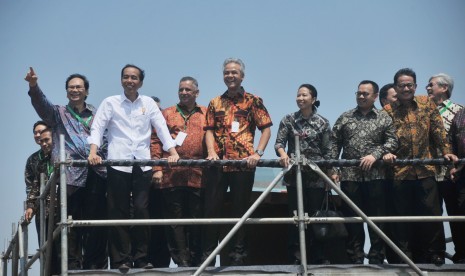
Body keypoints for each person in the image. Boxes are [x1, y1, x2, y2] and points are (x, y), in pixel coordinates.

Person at [87, 64, 179, 270]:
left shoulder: (148, 103)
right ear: (121, 80)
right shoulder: (110, 102)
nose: (130, 80)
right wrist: (93, 152)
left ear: (141, 82)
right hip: (118, 163)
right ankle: (121, 260)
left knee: (141, 210)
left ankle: (141, 258)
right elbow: (98, 127)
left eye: (134, 77)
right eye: (126, 77)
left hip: (142, 164)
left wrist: (171, 151)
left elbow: (161, 127)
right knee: (117, 211)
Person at [25, 68, 108, 270]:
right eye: (71, 87)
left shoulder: (97, 114)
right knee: (70, 223)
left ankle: (94, 265)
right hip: (69, 175)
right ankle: (72, 264)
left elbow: (106, 138)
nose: (75, 90)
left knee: (96, 220)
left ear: (86, 91)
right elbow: (41, 105)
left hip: (96, 172)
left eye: (79, 87)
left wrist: (99, 154)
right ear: (66, 92)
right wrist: (34, 86)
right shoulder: (58, 113)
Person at [383, 68, 458, 265]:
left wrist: (446, 151)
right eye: (402, 85)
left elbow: (438, 130)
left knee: (431, 214)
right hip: (400, 173)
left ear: (415, 86)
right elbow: (383, 138)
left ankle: (435, 253)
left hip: (426, 170)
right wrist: (385, 153)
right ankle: (405, 256)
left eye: (409, 85)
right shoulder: (388, 111)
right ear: (396, 88)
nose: (406, 88)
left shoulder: (427, 103)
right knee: (402, 218)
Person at [202, 58, 272, 265]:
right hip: (218, 165)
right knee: (211, 210)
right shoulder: (215, 102)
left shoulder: (253, 100)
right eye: (226, 73)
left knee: (240, 210)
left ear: (242, 76)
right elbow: (209, 131)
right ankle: (208, 255)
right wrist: (211, 152)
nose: (230, 76)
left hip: (243, 165)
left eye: (234, 72)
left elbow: (266, 128)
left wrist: (258, 153)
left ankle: (237, 255)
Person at [331, 80, 398, 264]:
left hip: (376, 177)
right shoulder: (345, 117)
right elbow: (334, 144)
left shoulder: (383, 117)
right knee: (352, 220)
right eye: (359, 93)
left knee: (377, 220)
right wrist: (334, 168)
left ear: (375, 96)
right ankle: (355, 259)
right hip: (350, 177)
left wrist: (374, 155)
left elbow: (392, 142)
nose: (361, 96)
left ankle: (376, 258)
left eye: (365, 94)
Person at [275, 84, 334, 264]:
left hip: (317, 177)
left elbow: (329, 151)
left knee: (316, 218)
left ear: (313, 99)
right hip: (295, 177)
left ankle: (318, 257)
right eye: (298, 95)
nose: (300, 98)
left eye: (304, 95)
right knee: (295, 217)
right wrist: (283, 155)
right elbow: (279, 143)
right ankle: (295, 258)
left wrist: (331, 173)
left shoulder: (322, 122)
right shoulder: (289, 119)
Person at [151, 76, 207, 267]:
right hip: (171, 176)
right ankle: (181, 262)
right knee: (174, 222)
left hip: (199, 177)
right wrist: (157, 168)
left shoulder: (206, 113)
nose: (184, 93)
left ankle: (196, 262)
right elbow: (155, 141)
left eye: (188, 90)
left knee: (197, 221)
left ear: (196, 93)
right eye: (181, 89)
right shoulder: (167, 113)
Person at [427, 73, 464, 263]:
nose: (427, 88)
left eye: (431, 85)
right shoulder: (423, 110)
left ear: (444, 88)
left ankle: (461, 253)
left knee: (456, 213)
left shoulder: (459, 111)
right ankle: (436, 253)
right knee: (432, 215)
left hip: (453, 173)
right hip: (428, 172)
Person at [24, 127, 60, 275]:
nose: (43, 143)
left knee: (64, 247)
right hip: (44, 212)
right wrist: (30, 206)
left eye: (47, 140)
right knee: (46, 249)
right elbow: (34, 186)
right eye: (41, 141)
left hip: (65, 208)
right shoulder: (37, 161)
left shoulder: (65, 156)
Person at [449, 108, 465, 263]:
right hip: (462, 173)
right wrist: (454, 166)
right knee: (461, 211)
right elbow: (451, 142)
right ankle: (462, 255)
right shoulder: (460, 115)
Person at [24, 121, 49, 196]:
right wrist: (30, 205)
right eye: (35, 133)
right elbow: (30, 186)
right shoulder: (32, 159)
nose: (38, 135)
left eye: (40, 132)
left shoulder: (58, 153)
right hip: (43, 204)